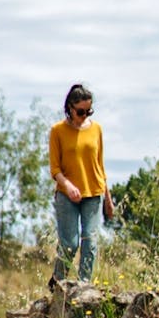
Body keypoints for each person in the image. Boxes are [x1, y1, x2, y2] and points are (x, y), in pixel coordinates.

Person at [48, 83, 114, 289]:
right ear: (70, 107)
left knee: (90, 242)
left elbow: (100, 165)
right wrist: (67, 186)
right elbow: (55, 169)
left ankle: (84, 288)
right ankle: (58, 283)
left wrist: (108, 200)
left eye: (89, 111)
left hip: (94, 193)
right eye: (80, 111)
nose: (84, 115)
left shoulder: (97, 130)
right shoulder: (57, 131)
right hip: (67, 196)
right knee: (69, 244)